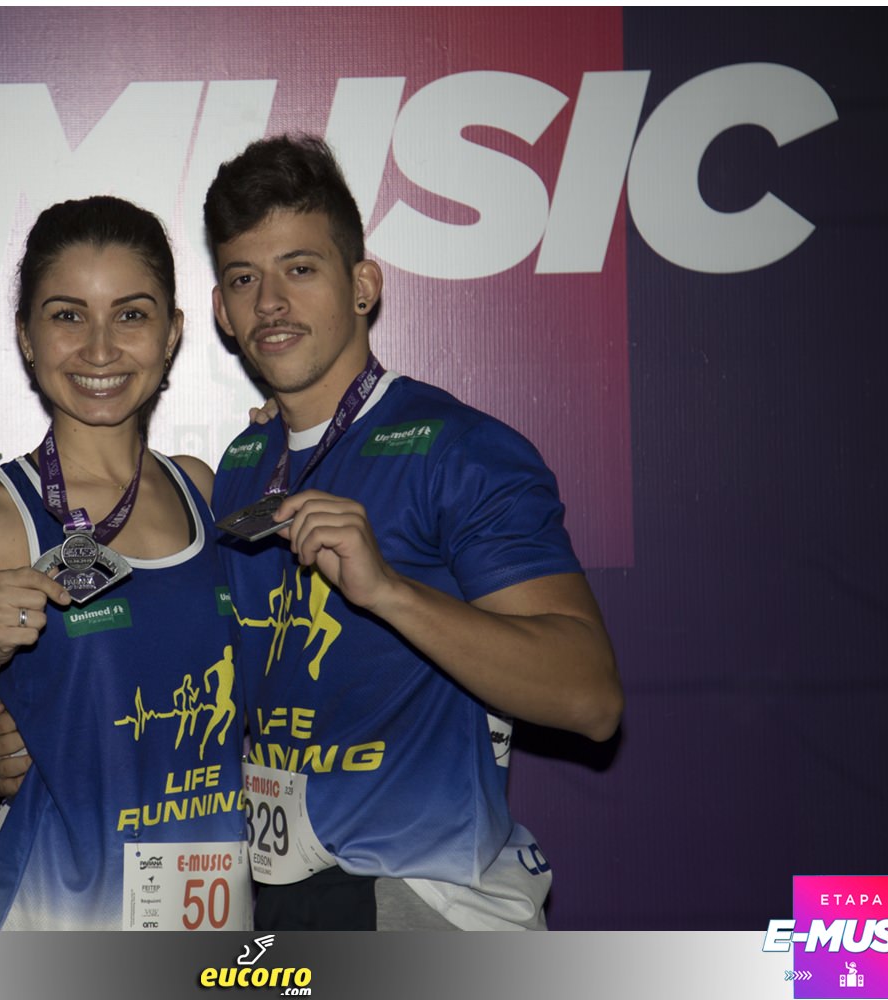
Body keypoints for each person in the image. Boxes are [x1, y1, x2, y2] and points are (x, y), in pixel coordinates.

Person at [202, 134, 623, 931]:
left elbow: (590, 698)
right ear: (222, 309)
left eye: (300, 268)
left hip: (426, 899)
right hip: (282, 900)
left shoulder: (458, 449)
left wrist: (391, 592)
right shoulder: (244, 465)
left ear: (363, 285)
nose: (271, 303)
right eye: (245, 278)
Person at [0, 196, 250, 931]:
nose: (99, 349)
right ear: (25, 336)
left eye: (131, 315)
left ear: (172, 333)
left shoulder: (207, 491)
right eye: (67, 316)